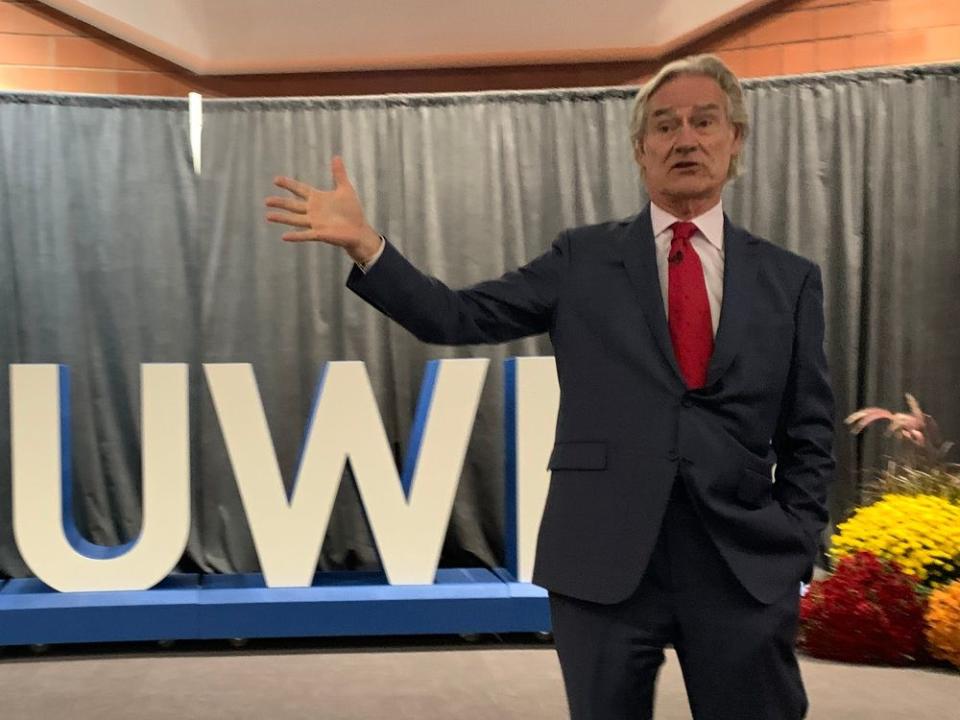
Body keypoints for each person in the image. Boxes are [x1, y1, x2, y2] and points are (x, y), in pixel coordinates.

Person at [264, 54, 834, 720]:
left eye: (704, 121)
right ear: (640, 149)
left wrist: (794, 538)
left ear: (734, 138)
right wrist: (368, 247)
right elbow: (457, 315)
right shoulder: (583, 258)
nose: (685, 138)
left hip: (740, 565)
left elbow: (809, 428)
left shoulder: (789, 279)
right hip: (603, 563)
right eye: (664, 125)